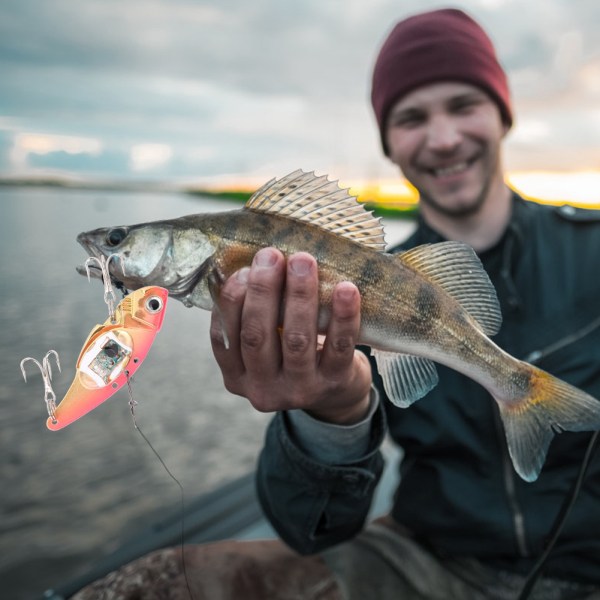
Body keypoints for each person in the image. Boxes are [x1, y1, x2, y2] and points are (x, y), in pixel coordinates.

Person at [73, 8, 600, 600]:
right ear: (390, 142)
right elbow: (313, 529)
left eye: (463, 105)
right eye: (412, 117)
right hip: (426, 559)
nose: (443, 137)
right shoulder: (368, 280)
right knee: (153, 587)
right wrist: (331, 414)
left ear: (502, 115)